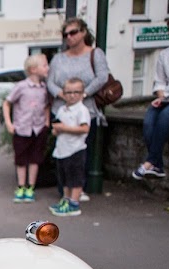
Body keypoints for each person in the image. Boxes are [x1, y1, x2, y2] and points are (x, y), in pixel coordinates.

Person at [46, 17, 108, 202]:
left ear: (83, 33)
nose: (69, 37)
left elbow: (102, 77)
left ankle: (78, 192)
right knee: (62, 153)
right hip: (61, 109)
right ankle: (64, 192)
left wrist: (83, 94)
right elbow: (50, 82)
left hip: (85, 108)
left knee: (81, 154)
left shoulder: (95, 54)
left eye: (73, 32)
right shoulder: (59, 58)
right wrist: (62, 94)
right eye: (65, 34)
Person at [132, 10, 169, 180]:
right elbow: (160, 81)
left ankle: (150, 162)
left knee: (167, 114)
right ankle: (158, 165)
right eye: (168, 28)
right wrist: (162, 97)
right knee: (149, 119)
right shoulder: (165, 55)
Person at [3, 54, 51, 203]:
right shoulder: (21, 87)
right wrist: (9, 123)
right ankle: (21, 186)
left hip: (38, 128)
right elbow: (7, 103)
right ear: (33, 69)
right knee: (21, 159)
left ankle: (31, 187)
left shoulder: (44, 88)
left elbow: (46, 105)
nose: (47, 68)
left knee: (35, 159)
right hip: (22, 128)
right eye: (44, 65)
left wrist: (47, 122)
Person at [49, 78, 91, 217]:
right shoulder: (62, 109)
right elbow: (57, 126)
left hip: (76, 149)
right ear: (64, 93)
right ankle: (66, 199)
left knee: (75, 178)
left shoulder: (82, 110)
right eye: (68, 92)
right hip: (62, 149)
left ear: (82, 93)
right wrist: (56, 130)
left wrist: (64, 128)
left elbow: (84, 129)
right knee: (65, 178)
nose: (72, 95)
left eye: (76, 92)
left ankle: (74, 203)